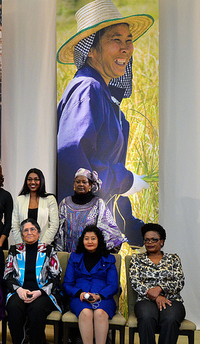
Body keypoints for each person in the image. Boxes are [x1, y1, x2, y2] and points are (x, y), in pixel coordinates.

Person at [56, 0, 154, 247]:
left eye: (128, 40)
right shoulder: (88, 89)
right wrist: (124, 179)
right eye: (115, 39)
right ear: (91, 49)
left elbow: (100, 174)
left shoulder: (102, 92)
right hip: (80, 235)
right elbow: (70, 155)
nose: (126, 48)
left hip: (96, 233)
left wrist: (131, 226)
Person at [4, 218, 62, 344]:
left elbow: (56, 277)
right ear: (22, 235)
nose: (29, 233)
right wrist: (18, 290)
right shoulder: (14, 250)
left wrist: (40, 291)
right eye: (25, 230)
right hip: (20, 291)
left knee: (36, 310)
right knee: (14, 308)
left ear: (38, 232)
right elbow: (7, 275)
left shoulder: (49, 250)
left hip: (42, 292)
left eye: (33, 230)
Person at [129, 223, 185, 344]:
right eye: (147, 240)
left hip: (171, 300)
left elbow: (179, 282)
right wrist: (155, 296)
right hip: (145, 301)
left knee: (171, 319)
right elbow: (135, 282)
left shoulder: (173, 259)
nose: (150, 243)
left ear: (162, 241)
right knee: (146, 319)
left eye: (154, 239)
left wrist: (160, 289)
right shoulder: (136, 259)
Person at [63, 225, 118, 344]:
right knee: (86, 313)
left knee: (100, 313)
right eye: (86, 238)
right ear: (82, 241)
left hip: (103, 297)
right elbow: (67, 284)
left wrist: (99, 295)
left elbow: (113, 285)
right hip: (79, 297)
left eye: (93, 238)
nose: (90, 241)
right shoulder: (74, 257)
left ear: (99, 240)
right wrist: (79, 292)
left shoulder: (109, 258)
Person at [55, 168, 125, 253]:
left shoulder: (98, 203)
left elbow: (111, 232)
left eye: (84, 182)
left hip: (91, 255)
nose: (81, 184)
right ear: (74, 183)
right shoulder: (65, 203)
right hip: (69, 254)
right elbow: (58, 231)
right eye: (78, 182)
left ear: (90, 185)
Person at [11, 168, 59, 245]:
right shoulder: (20, 199)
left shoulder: (50, 199)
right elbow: (15, 225)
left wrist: (42, 244)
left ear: (41, 181)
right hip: (23, 246)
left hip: (44, 246)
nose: (32, 182)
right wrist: (21, 244)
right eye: (29, 179)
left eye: (36, 179)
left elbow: (54, 225)